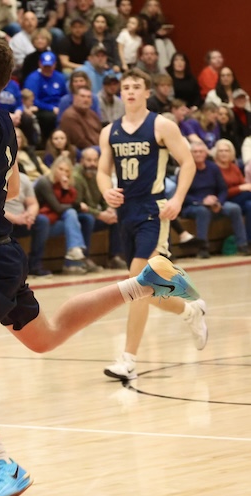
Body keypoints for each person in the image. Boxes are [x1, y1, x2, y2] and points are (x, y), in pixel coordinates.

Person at [0, 34, 201, 496]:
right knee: (49, 336)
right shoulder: (1, 123)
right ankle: (143, 283)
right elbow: (6, 185)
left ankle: (1, 463)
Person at [96, 68, 208, 381]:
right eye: (126, 87)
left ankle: (128, 360)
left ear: (147, 92)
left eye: (136, 86)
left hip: (153, 211)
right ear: (120, 93)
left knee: (136, 284)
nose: (130, 91)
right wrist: (105, 189)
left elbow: (188, 162)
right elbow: (102, 171)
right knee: (145, 290)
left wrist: (178, 199)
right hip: (126, 213)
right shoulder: (109, 131)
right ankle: (190, 310)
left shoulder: (161, 125)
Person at [181, 141, 250, 258]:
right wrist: (202, 201)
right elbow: (182, 194)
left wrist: (219, 202)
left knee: (234, 208)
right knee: (203, 211)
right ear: (190, 154)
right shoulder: (186, 169)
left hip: (214, 202)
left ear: (205, 153)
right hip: (193, 205)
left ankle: (242, 245)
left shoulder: (213, 168)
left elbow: (223, 189)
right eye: (195, 152)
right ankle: (203, 248)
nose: (198, 154)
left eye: (201, 152)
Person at [34, 155, 93, 273]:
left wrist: (66, 189)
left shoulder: (66, 184)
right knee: (71, 213)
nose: (63, 173)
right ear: (54, 168)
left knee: (86, 218)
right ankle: (74, 253)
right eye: (60, 169)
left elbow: (67, 205)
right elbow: (58, 208)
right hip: (44, 220)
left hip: (58, 218)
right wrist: (77, 206)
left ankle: (78, 259)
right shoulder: (44, 182)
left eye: (66, 171)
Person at [74, 147, 126, 269]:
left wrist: (109, 210)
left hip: (94, 213)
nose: (92, 164)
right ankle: (84, 258)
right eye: (88, 160)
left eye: (95, 160)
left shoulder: (98, 176)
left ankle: (114, 257)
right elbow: (77, 205)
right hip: (78, 215)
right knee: (88, 220)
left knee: (116, 217)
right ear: (81, 161)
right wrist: (99, 214)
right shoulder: (76, 177)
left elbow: (104, 198)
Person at [214, 138, 251, 246]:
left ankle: (248, 240)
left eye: (226, 151)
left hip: (240, 198)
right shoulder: (214, 169)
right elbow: (221, 192)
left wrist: (243, 188)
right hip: (223, 199)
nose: (224, 153)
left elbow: (243, 184)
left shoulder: (234, 167)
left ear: (231, 153)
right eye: (221, 151)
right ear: (216, 153)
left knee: (250, 205)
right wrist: (240, 188)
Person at [59, 86, 102, 150]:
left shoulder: (92, 113)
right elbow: (80, 142)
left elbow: (101, 132)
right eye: (82, 96)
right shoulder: (70, 115)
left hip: (100, 146)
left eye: (89, 97)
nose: (86, 100)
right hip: (83, 150)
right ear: (75, 98)